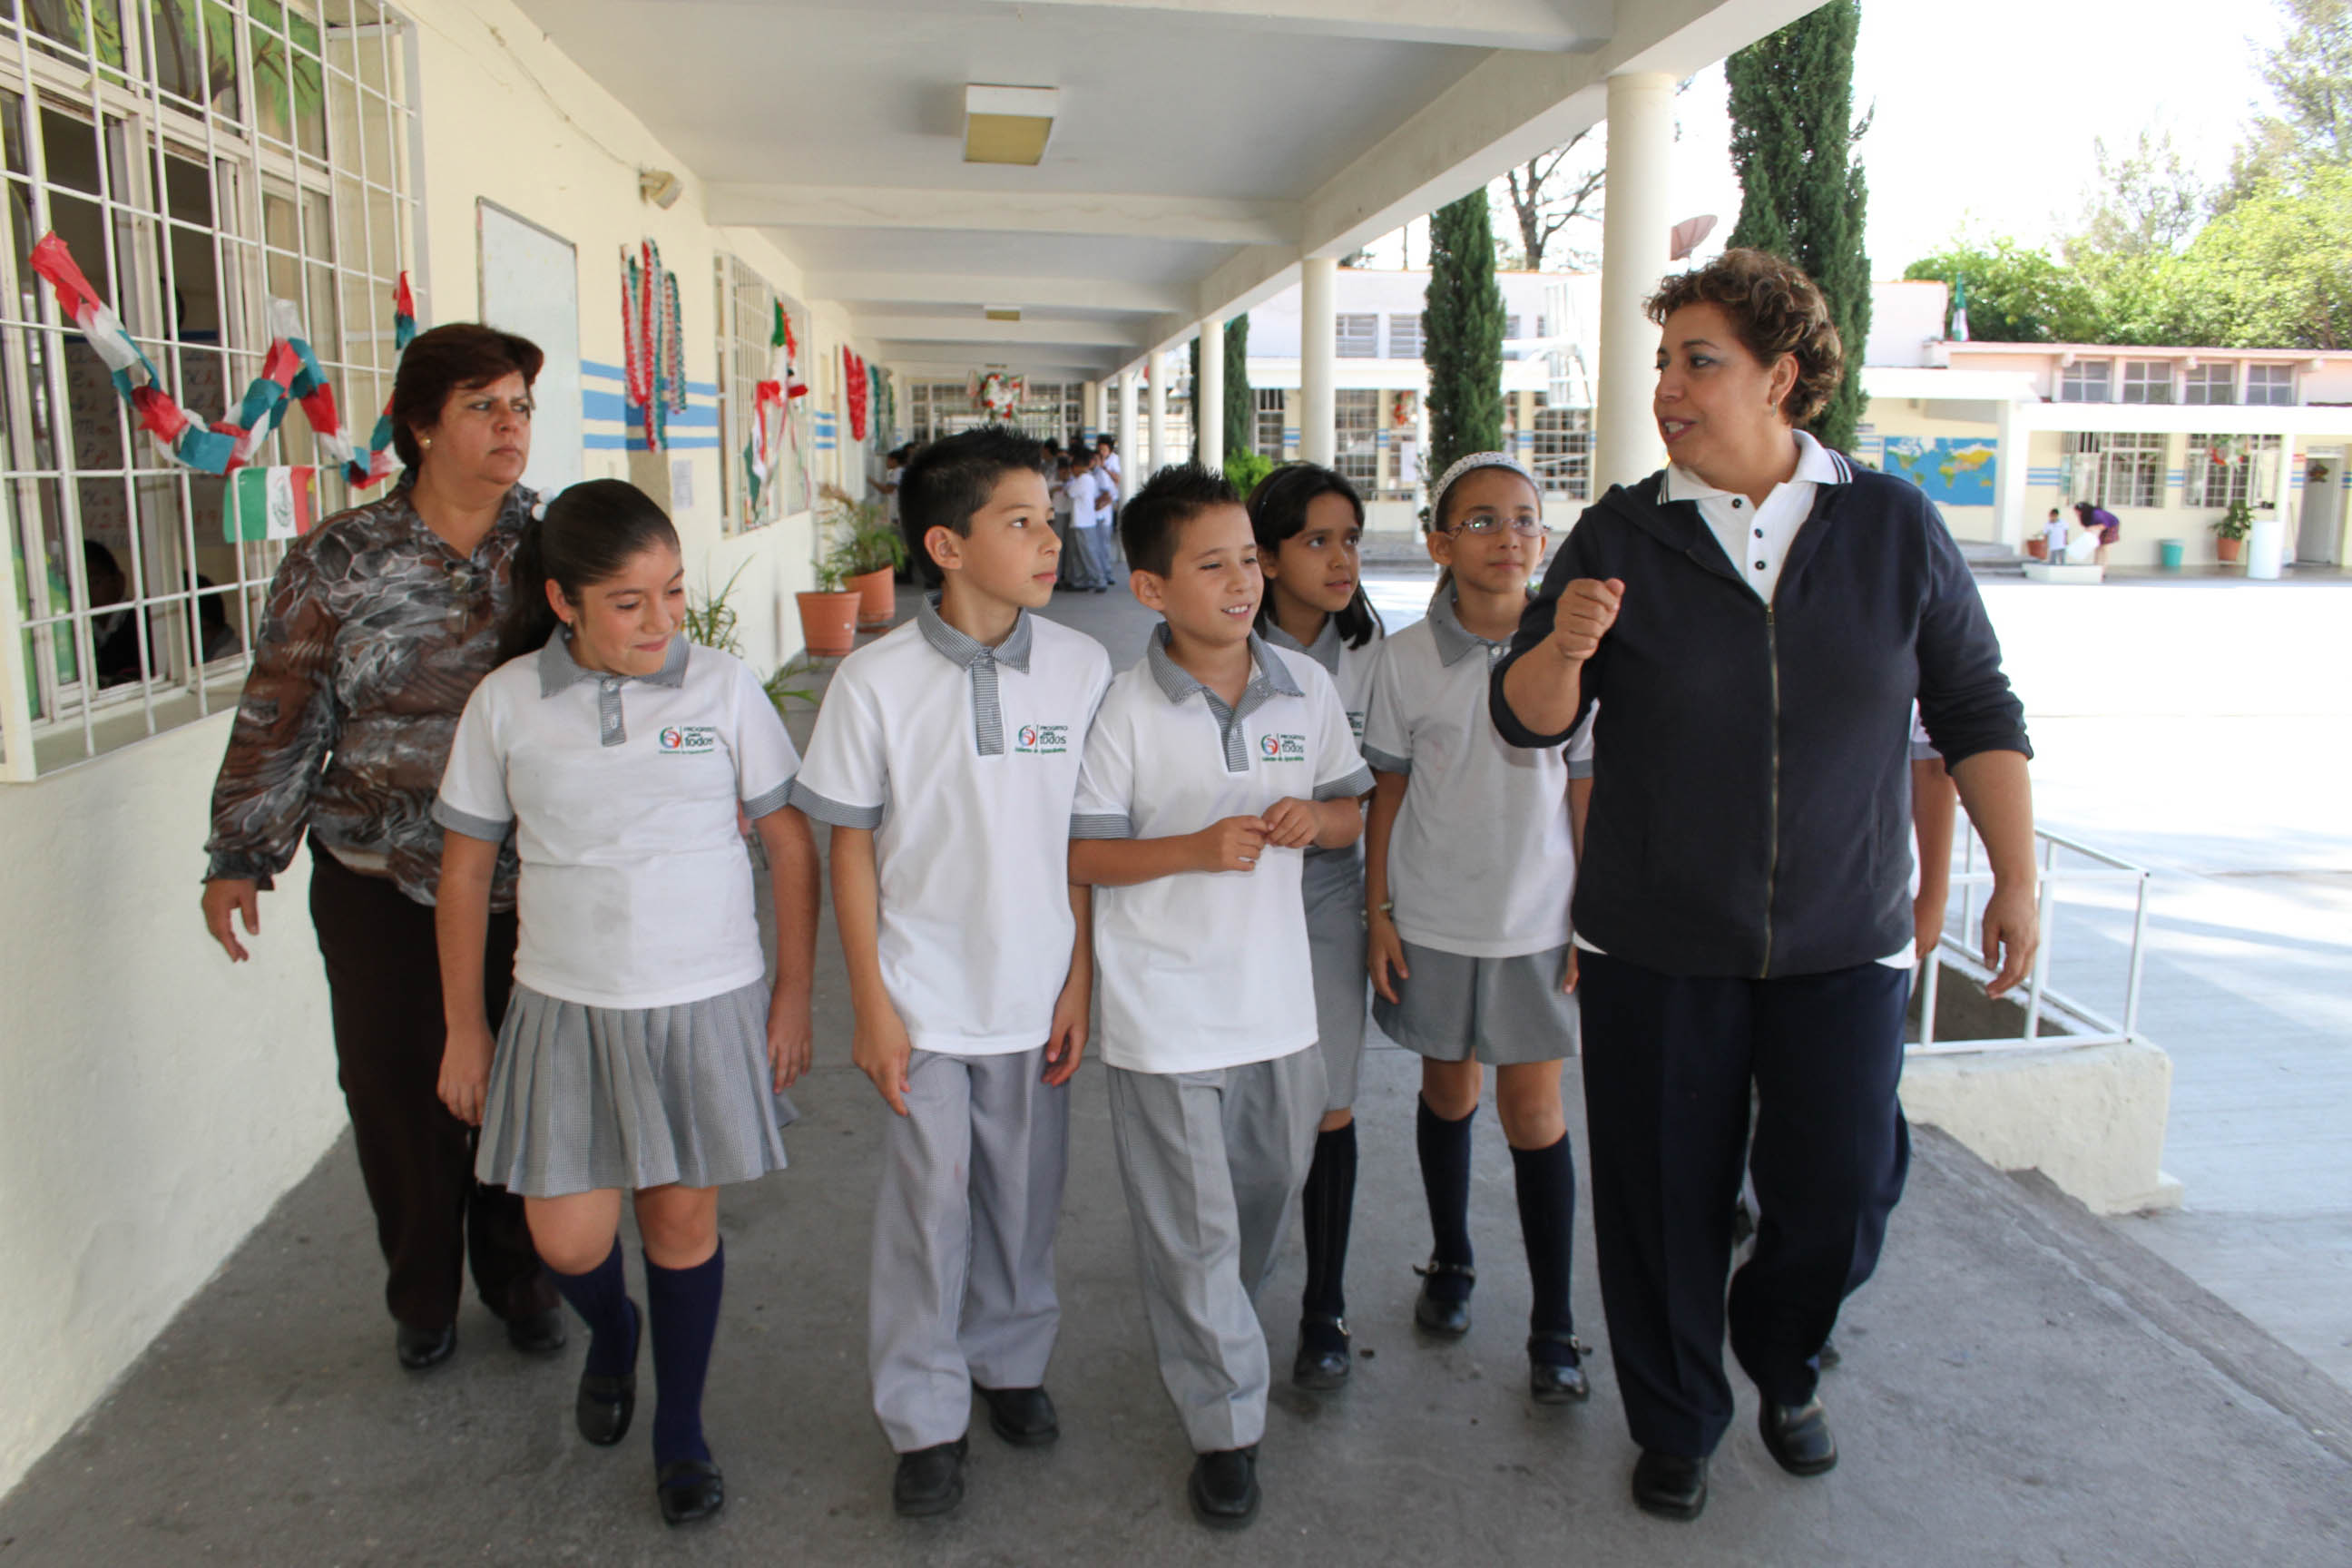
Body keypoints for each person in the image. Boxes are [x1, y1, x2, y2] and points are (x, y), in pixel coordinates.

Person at [1492, 248, 2038, 1523]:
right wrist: (1565, 647)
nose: (1670, 390)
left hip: (1845, 942)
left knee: (1842, 1188)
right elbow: (1526, 717)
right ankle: (1679, 1419)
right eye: (1665, 364)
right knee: (1660, 1198)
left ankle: (1781, 1352)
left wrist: (2013, 877)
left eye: (1702, 362)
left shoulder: (1892, 526)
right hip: (1658, 943)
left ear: (1782, 376)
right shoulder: (1624, 530)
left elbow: (1974, 708)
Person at [432, 478, 818, 1526]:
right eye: (629, 602)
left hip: (703, 1001)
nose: (661, 623)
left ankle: (680, 1430)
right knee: (566, 1243)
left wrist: (791, 995)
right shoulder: (507, 703)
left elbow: (788, 845)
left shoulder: (725, 690)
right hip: (563, 1004)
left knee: (682, 1227)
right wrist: (468, 1026)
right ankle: (613, 1331)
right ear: (564, 601)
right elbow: (467, 871)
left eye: (673, 593)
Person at [201, 323, 566, 1374]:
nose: (511, 428)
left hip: (525, 880)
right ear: (420, 425)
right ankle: (422, 1293)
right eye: (484, 407)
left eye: (521, 408)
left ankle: (521, 1274)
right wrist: (241, 852)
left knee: (526, 1078)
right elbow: (284, 705)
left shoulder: (553, 544)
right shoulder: (341, 557)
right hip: (375, 872)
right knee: (395, 1090)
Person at [790, 426, 1112, 1519]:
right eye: (1019, 522)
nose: (1049, 541)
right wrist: (870, 1007)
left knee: (1024, 1201)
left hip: (1037, 992)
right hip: (922, 998)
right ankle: (924, 1415)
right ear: (948, 543)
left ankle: (1010, 1363)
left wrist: (1077, 980)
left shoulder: (1080, 666)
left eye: (1052, 520)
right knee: (927, 1212)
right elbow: (849, 849)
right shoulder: (874, 682)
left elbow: (1081, 836)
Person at [1068, 465, 1372, 1531]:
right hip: (1165, 1021)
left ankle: (1213, 1341)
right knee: (1193, 1235)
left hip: (1280, 1015)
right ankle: (1227, 1426)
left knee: (1253, 1214)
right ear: (1151, 589)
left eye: (1250, 557)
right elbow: (1087, 861)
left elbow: (1352, 813)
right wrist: (1193, 847)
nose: (1242, 581)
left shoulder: (1306, 688)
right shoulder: (1123, 711)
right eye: (1214, 565)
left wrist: (1313, 824)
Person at [1361, 453, 1596, 1406]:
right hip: (1433, 918)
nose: (1510, 538)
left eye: (1527, 521)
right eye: (1484, 520)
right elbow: (1388, 790)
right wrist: (1380, 912)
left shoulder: (1574, 653)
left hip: (1537, 923)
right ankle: (1451, 1261)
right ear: (1439, 543)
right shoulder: (1405, 659)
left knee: (1533, 1114)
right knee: (1448, 1089)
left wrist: (1590, 916)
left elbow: (1583, 788)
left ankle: (1554, 1324)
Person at [1245, 462, 1383, 1390]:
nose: (1342, 561)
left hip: (1332, 897)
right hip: (1229, 901)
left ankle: (1323, 1306)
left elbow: (1397, 794)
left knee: (1332, 1102)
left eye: (1351, 539)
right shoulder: (1209, 641)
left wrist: (1385, 914)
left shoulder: (1379, 656)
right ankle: (1225, 1293)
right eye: (1317, 541)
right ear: (1265, 556)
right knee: (1241, 1110)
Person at [2075, 500, 2121, 566]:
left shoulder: (2096, 513)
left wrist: (2092, 528)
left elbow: (2104, 525)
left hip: (2111, 525)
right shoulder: (2086, 516)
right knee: (2098, 547)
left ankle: (2103, 568)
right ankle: (2096, 565)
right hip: (2101, 527)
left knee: (2104, 547)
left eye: (2078, 511)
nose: (2077, 513)